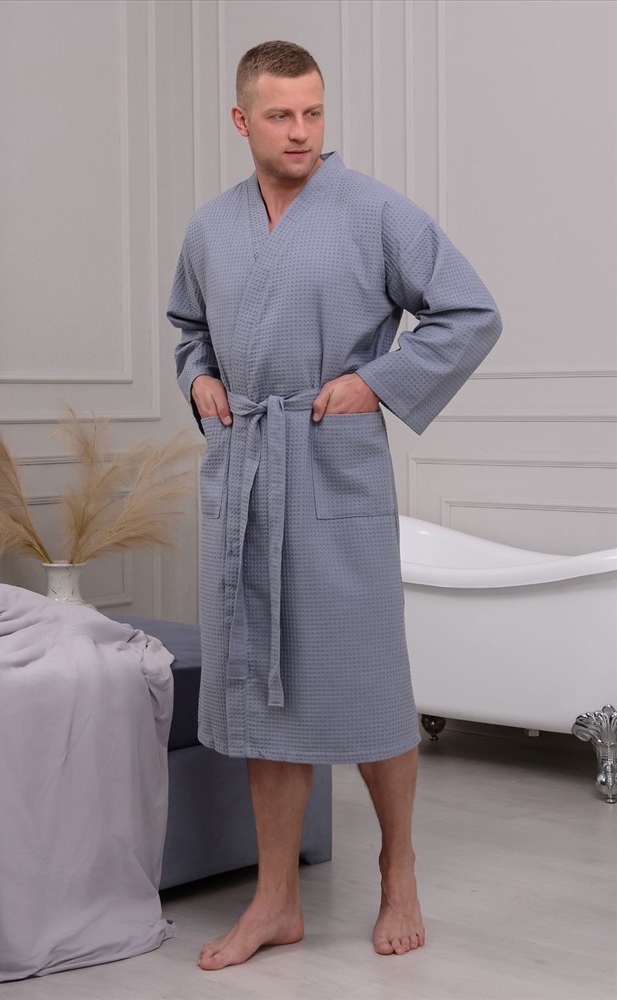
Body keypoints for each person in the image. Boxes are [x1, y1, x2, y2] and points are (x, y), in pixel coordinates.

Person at [167, 40, 502, 971]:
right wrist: (198, 382)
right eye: (280, 115)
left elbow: (468, 312)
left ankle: (399, 866)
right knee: (258, 685)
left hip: (331, 464)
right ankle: (275, 900)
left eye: (313, 112)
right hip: (245, 469)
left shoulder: (374, 211)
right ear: (242, 120)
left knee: (369, 681)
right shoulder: (210, 228)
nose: (301, 131)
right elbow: (189, 330)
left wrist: (376, 384)